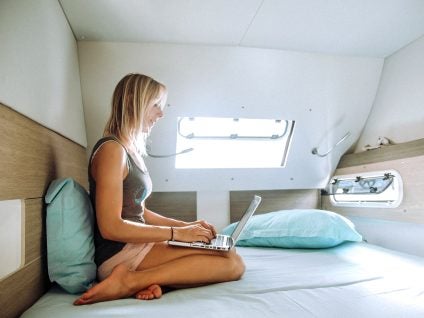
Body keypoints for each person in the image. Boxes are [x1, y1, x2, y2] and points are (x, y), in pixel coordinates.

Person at [74, 73, 245, 305]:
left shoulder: (129, 149)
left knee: (228, 254)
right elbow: (110, 227)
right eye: (155, 105)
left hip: (137, 245)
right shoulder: (111, 151)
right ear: (134, 101)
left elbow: (140, 212)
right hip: (118, 254)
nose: (161, 114)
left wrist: (187, 226)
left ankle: (148, 280)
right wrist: (176, 234)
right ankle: (129, 280)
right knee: (231, 264)